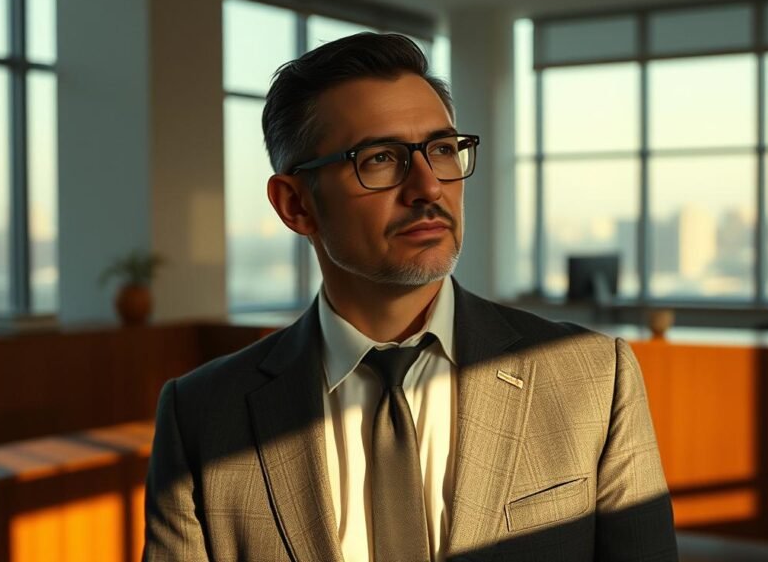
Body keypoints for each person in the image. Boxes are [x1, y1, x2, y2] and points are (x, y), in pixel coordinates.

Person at [143, 32, 677, 562]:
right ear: (295, 205)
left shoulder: (593, 378)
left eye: (442, 150)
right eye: (379, 159)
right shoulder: (202, 417)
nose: (428, 186)